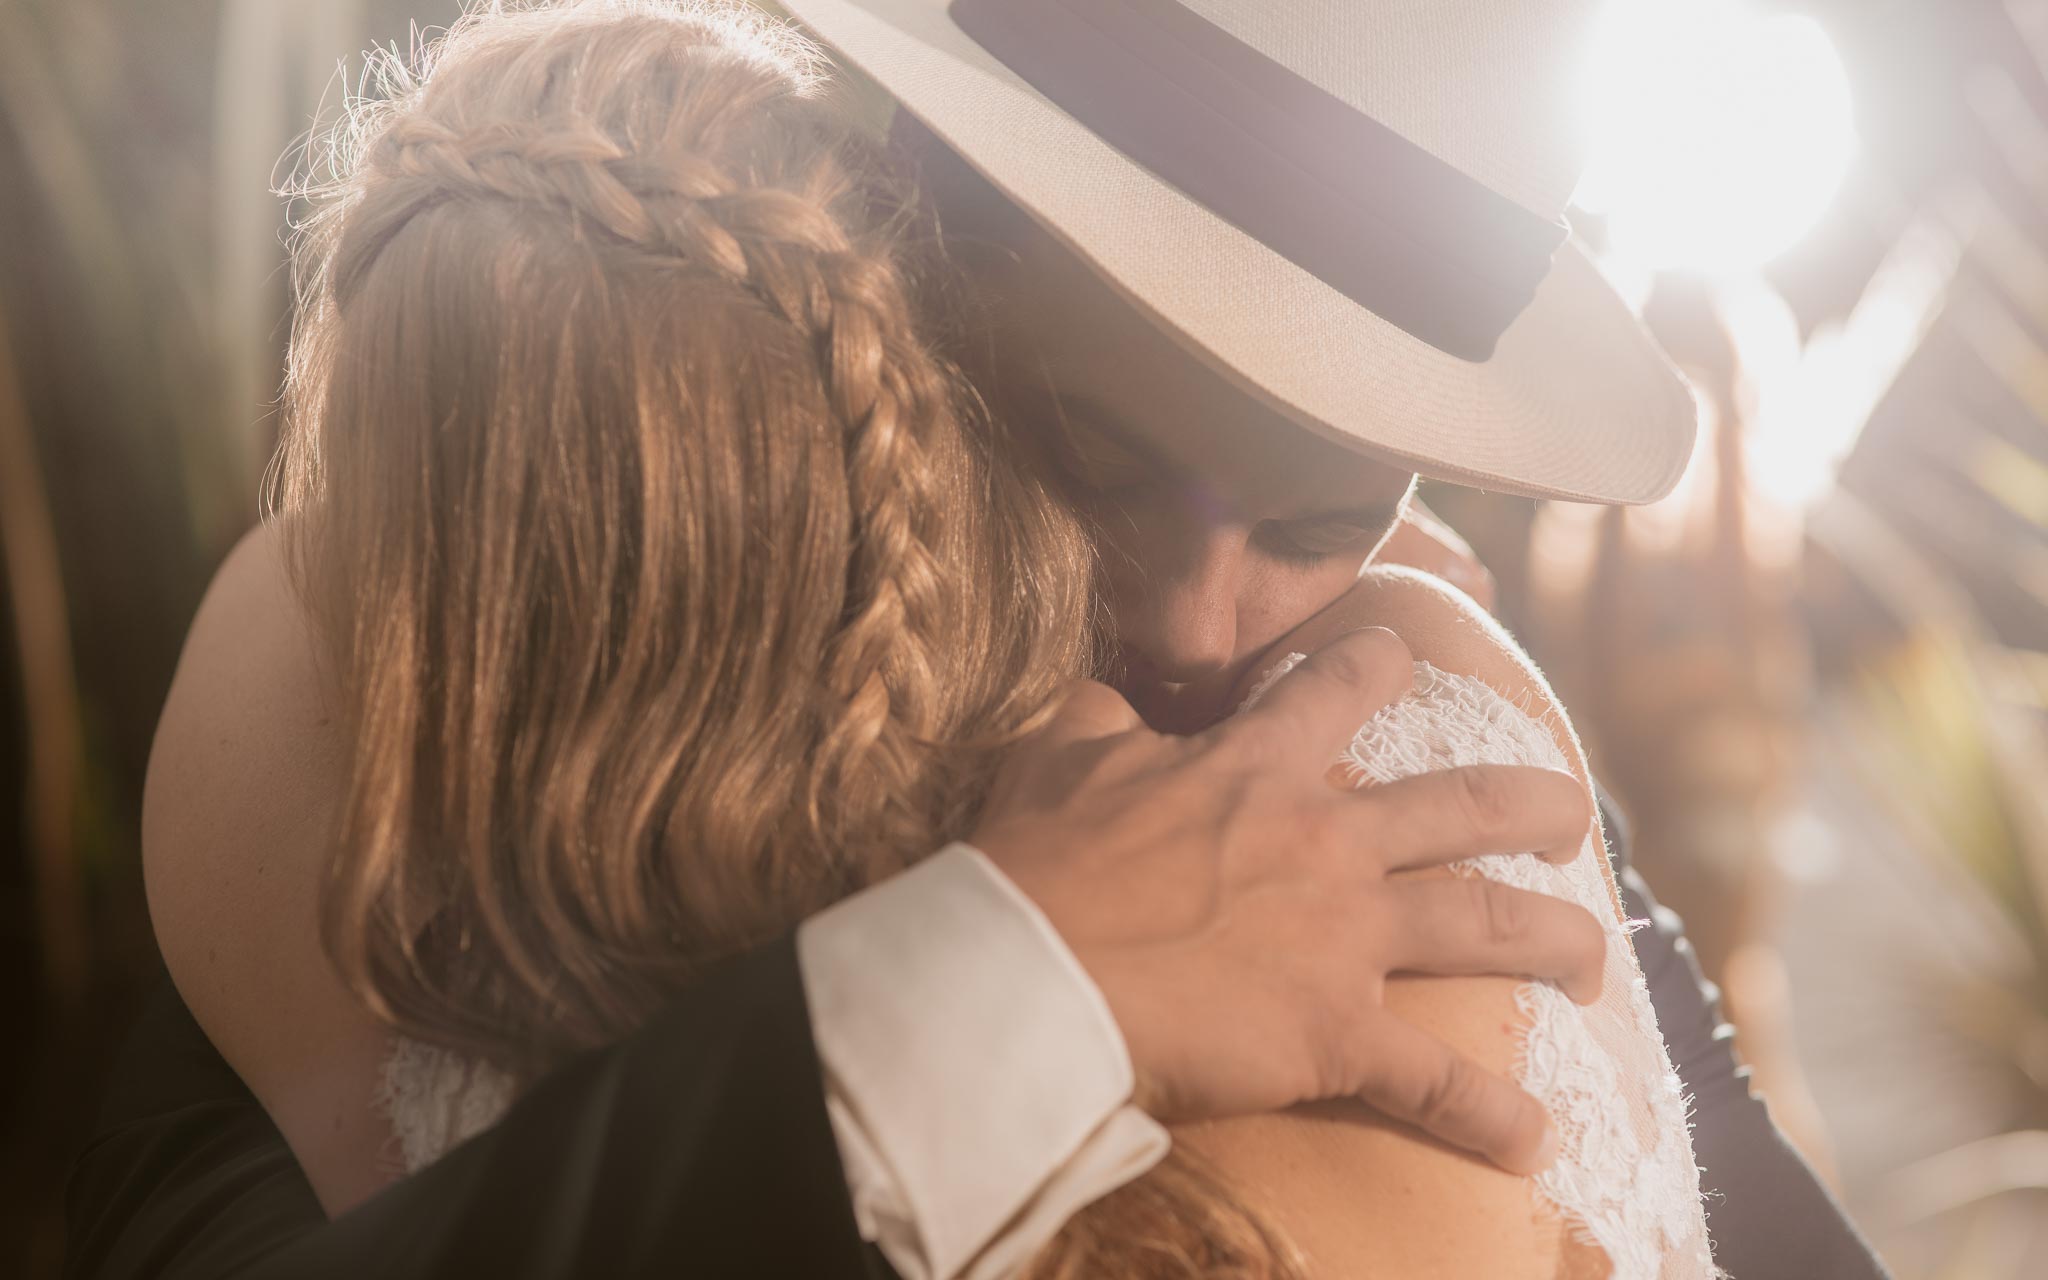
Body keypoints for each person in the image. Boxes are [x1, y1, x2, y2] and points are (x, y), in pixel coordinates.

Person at [65, 1, 1890, 1277]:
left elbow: (1749, 1204)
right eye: (1099, 460)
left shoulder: (1425, 727)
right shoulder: (434, 676)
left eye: (1325, 526)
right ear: (902, 224)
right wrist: (990, 992)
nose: (1197, 625)